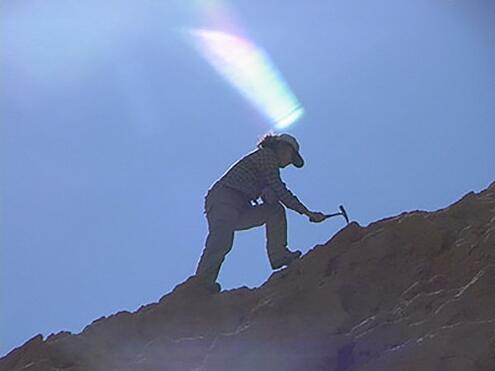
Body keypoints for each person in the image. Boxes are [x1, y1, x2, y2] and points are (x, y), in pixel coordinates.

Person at [193, 132, 326, 293]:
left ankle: (279, 255)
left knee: (274, 211)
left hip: (239, 205)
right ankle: (200, 285)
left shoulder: (265, 164)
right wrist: (307, 212)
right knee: (221, 239)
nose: (289, 162)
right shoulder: (267, 156)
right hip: (225, 199)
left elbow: (271, 191)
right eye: (291, 157)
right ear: (282, 147)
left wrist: (267, 193)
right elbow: (280, 189)